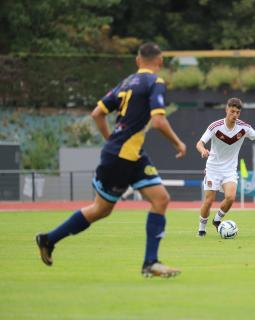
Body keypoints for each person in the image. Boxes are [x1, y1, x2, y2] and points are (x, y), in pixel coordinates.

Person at [35, 42, 187, 277]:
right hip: (122, 158)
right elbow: (158, 121)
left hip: (128, 154)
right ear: (160, 62)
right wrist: (178, 143)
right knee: (101, 210)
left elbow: (97, 113)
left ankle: (151, 263)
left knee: (160, 199)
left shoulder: (126, 82)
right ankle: (49, 239)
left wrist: (110, 140)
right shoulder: (155, 82)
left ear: (138, 61)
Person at [195, 97, 255, 237]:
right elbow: (199, 143)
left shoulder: (244, 127)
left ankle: (217, 220)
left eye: (237, 112)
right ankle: (201, 229)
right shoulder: (215, 126)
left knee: (231, 197)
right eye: (232, 111)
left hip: (229, 170)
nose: (234, 115)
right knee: (209, 201)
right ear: (226, 110)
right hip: (213, 168)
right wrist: (203, 150)